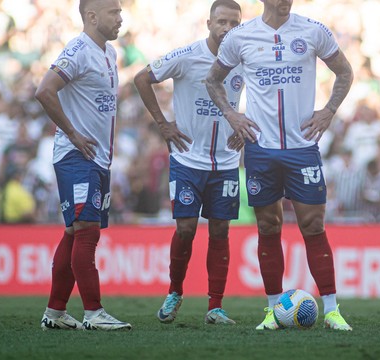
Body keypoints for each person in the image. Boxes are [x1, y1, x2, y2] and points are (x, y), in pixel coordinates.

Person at [205, 0, 354, 330]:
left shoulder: (314, 31)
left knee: (313, 226)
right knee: (268, 227)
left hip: (302, 148)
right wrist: (231, 115)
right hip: (261, 149)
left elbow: (345, 71)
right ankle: (273, 310)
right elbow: (213, 80)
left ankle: (331, 309)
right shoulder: (241, 37)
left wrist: (328, 111)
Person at [133, 0, 244, 325]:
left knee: (221, 230)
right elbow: (142, 78)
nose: (227, 28)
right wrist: (162, 123)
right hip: (187, 159)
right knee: (185, 228)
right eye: (221, 21)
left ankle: (215, 306)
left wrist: (246, 122)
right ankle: (175, 291)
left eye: (233, 23)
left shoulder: (244, 59)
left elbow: (263, 95)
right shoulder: (187, 56)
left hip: (225, 161)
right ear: (208, 23)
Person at [34, 0, 130, 331]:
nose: (120, 18)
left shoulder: (109, 53)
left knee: (74, 232)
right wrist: (73, 134)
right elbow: (44, 90)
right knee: (86, 231)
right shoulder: (78, 50)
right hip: (78, 156)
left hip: (96, 159)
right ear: (91, 16)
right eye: (113, 12)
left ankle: (55, 313)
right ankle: (94, 312)